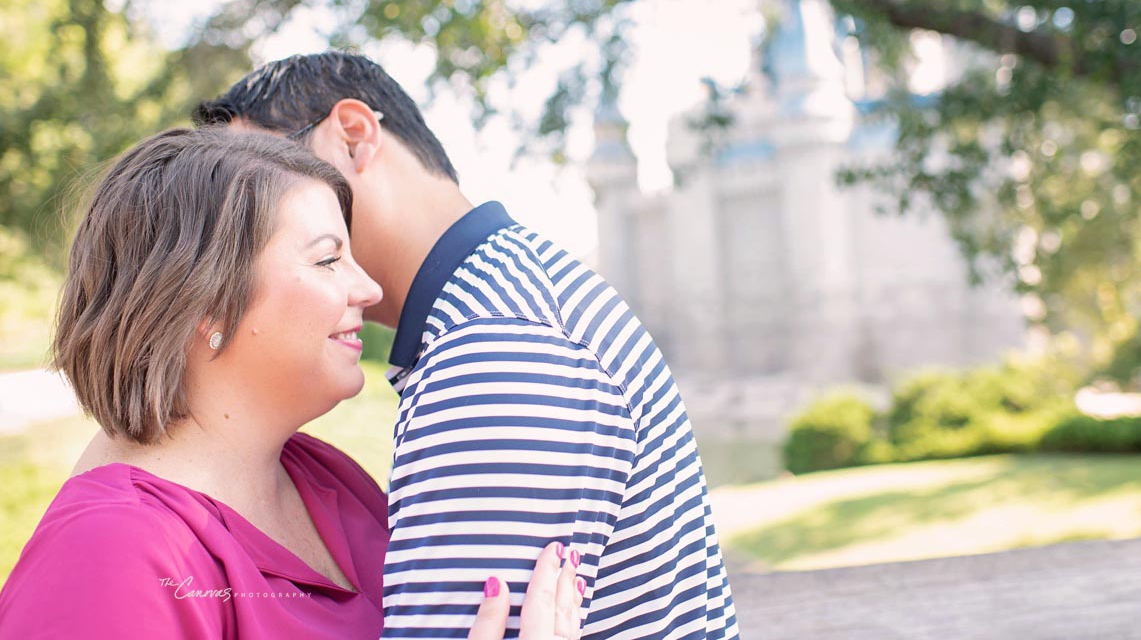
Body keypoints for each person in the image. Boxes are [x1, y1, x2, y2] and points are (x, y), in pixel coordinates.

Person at [196, 51, 741, 639]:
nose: (236, 234)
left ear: (353, 138)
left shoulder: (494, 354)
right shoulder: (502, 307)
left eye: (254, 187)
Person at [0, 128, 583, 640]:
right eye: (329, 261)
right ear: (206, 303)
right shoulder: (110, 555)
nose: (370, 290)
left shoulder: (326, 478)